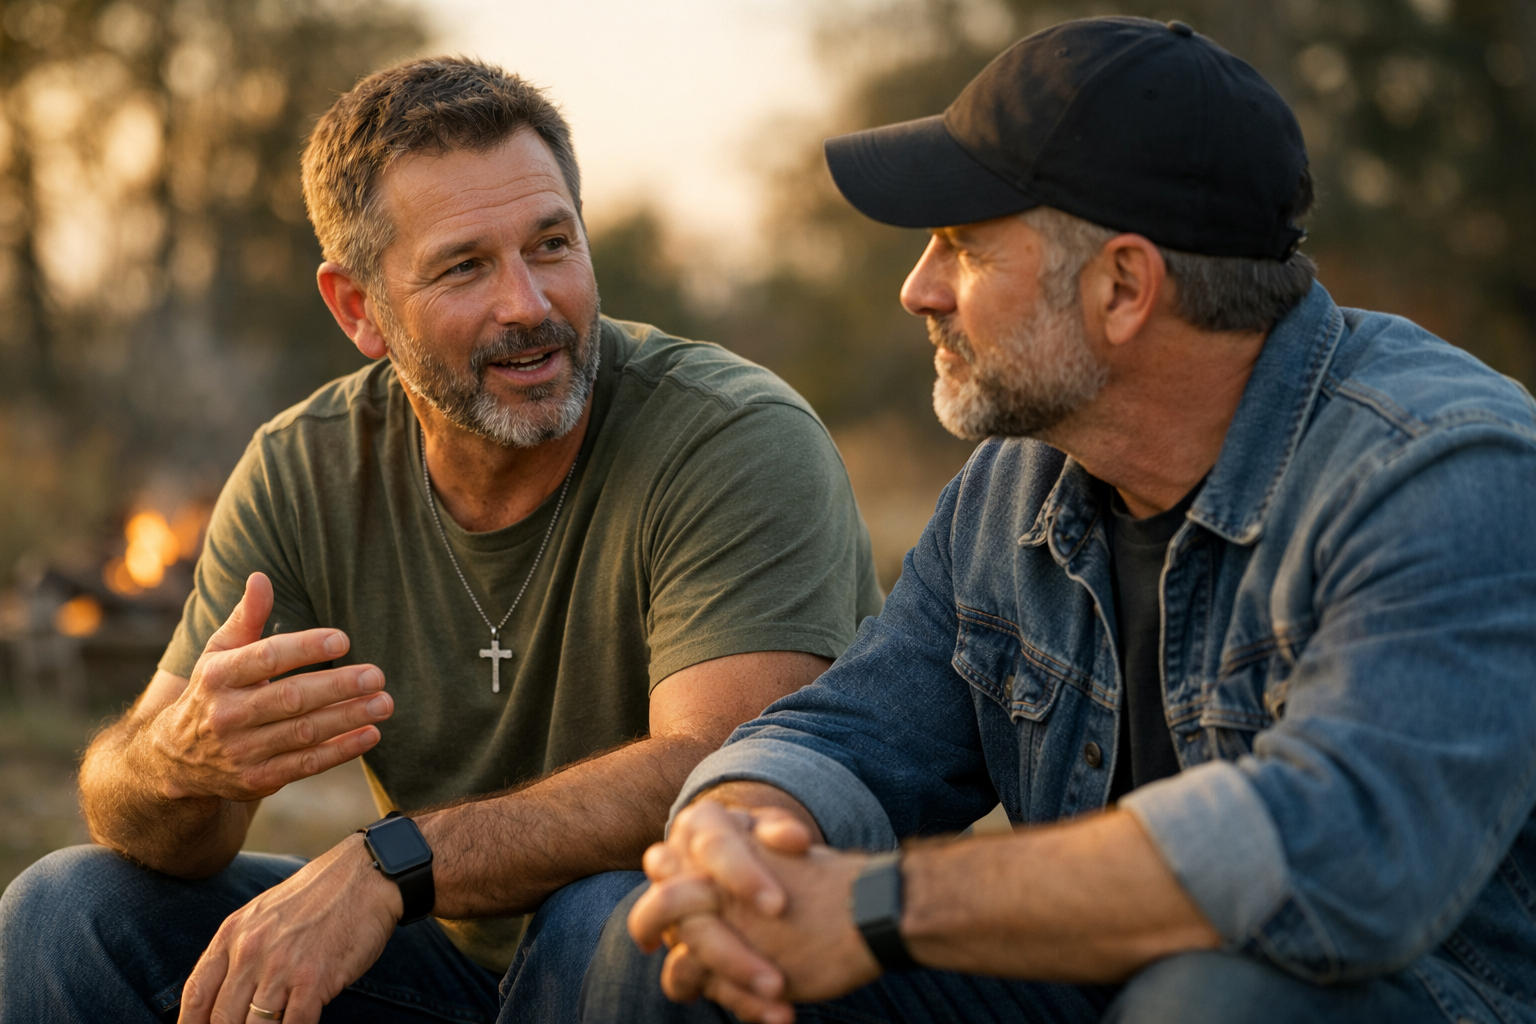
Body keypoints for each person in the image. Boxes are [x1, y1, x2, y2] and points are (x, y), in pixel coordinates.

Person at [573, 16, 1536, 1024]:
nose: (918, 288)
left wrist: (875, 904)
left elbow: (1335, 851)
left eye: (963, 247)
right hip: (1098, 983)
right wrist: (744, 833)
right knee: (659, 943)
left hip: (1414, 996)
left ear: (1123, 286)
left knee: (1205, 1001)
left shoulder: (1444, 470)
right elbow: (856, 730)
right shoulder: (1014, 487)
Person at [0, 58, 882, 1024]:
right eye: (465, 266)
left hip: (700, 959)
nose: (529, 306)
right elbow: (170, 841)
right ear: (357, 309)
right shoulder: (304, 467)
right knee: (66, 910)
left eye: (551, 245)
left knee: (607, 918)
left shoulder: (732, 435)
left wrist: (393, 863)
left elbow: (724, 767)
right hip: (455, 970)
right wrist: (176, 763)